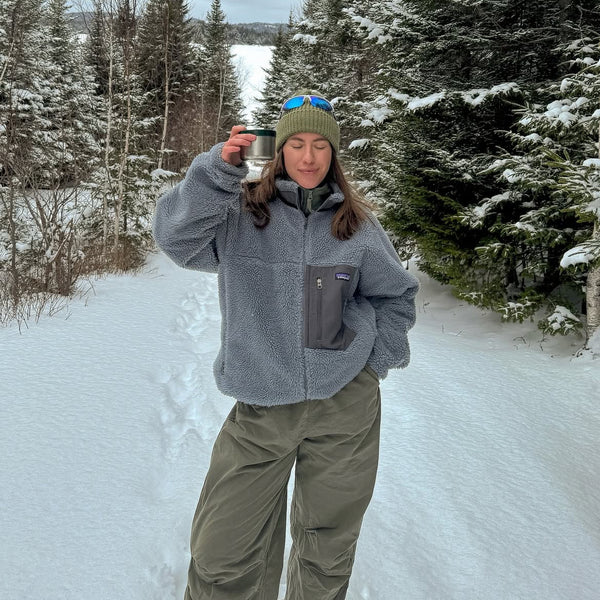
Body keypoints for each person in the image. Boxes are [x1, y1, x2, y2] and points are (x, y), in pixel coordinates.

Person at [153, 92, 420, 600]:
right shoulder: (240, 214)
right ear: (278, 151)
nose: (309, 157)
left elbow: (396, 294)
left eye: (321, 145)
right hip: (261, 410)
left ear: (334, 154)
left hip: (345, 409)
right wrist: (218, 172)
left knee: (327, 551)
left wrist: (373, 365)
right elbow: (176, 240)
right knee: (222, 553)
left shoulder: (357, 226)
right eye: (296, 143)